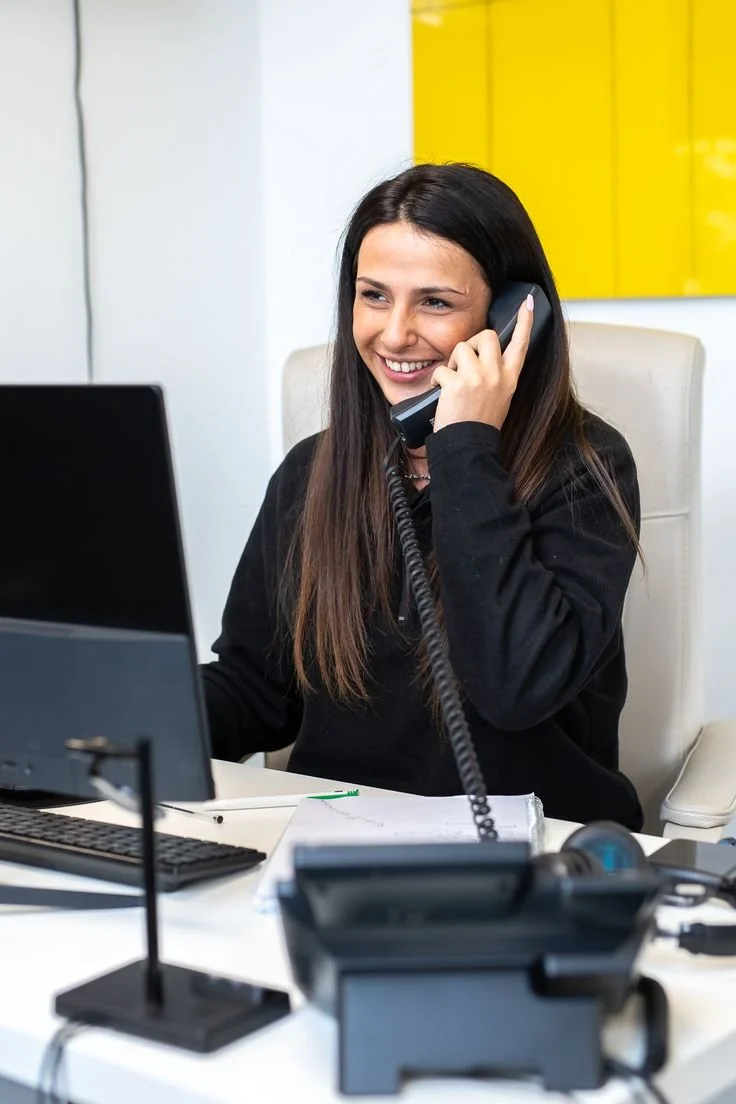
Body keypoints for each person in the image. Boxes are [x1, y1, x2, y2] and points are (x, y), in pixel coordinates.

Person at [201, 163, 644, 830]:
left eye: (434, 302)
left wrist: (464, 445)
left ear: (511, 317)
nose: (395, 333)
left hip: (534, 848)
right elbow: (255, 692)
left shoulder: (584, 467)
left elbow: (514, 687)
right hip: (338, 843)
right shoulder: (312, 472)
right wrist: (112, 718)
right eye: (373, 295)